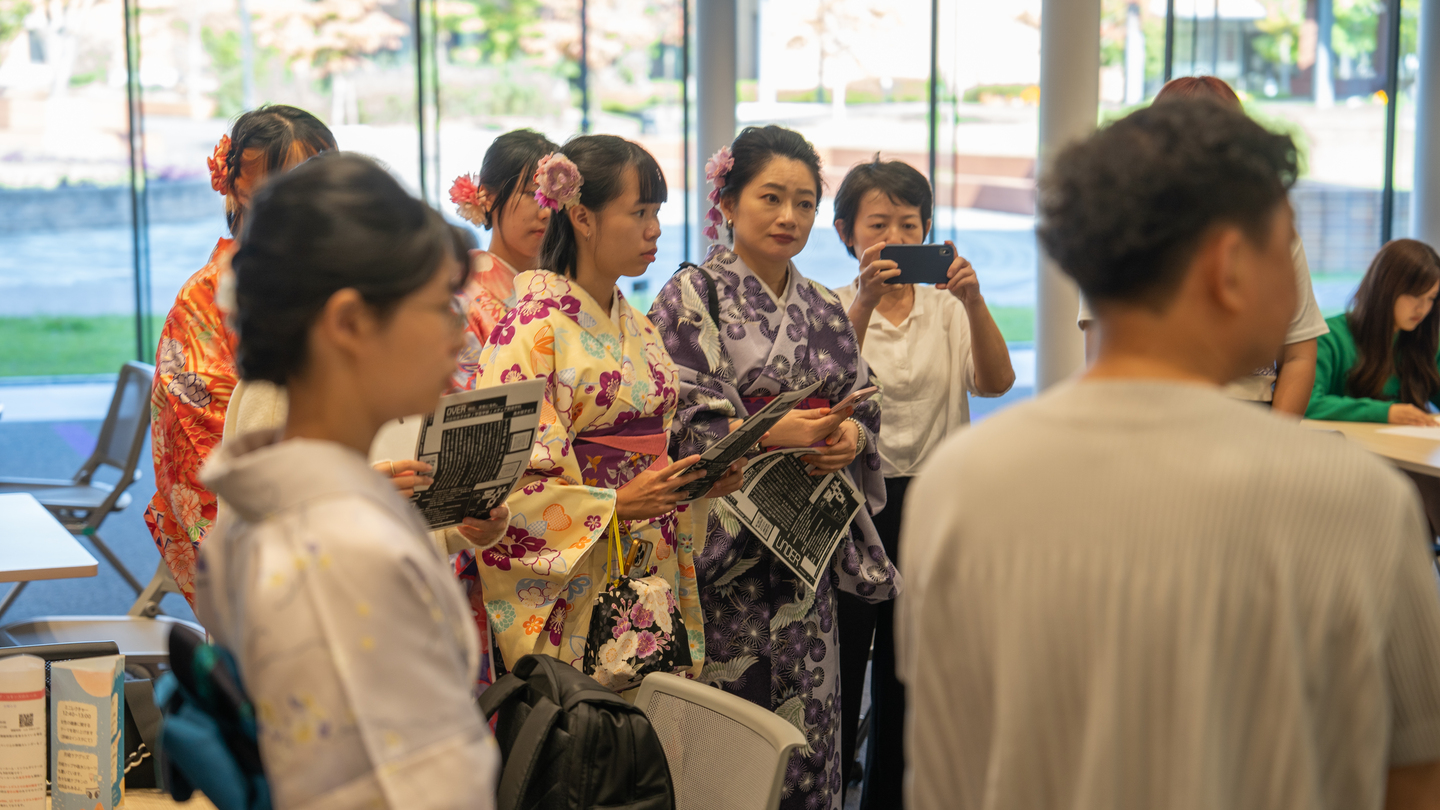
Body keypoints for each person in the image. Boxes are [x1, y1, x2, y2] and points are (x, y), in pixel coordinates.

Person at [899, 98, 1440, 810]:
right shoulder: (1354, 501)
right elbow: (1413, 780)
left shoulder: (959, 484)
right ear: (1229, 265)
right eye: (1289, 247)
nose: (1298, 288)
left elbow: (943, 770)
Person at [197, 152, 503, 809]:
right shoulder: (344, 547)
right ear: (349, 323)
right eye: (437, 307)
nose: (459, 335)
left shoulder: (279, 504)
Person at [648, 125, 900, 810]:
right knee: (728, 740)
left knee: (811, 730)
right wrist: (779, 431)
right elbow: (681, 412)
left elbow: (863, 398)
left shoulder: (823, 305)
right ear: (726, 203)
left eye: (805, 202)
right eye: (771, 198)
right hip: (727, 559)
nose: (790, 217)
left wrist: (848, 434)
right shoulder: (691, 295)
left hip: (805, 558)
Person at [472, 135, 742, 677]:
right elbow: (501, 489)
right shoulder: (527, 331)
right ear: (582, 217)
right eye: (639, 211)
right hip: (580, 574)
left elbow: (652, 446)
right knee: (592, 741)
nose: (655, 229)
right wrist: (613, 503)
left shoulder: (636, 324)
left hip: (651, 557)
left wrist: (692, 483)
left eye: (657, 212)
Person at [829, 156, 1015, 807]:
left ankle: (891, 797)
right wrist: (863, 302)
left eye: (911, 224)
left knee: (911, 666)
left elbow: (995, 383)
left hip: (933, 500)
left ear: (931, 230)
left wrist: (973, 298)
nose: (898, 238)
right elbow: (829, 391)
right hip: (853, 506)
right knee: (848, 656)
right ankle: (833, 788)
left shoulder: (947, 308)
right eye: (879, 224)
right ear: (847, 232)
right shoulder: (832, 306)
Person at [145, 105, 336, 607]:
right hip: (270, 535)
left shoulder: (342, 281)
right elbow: (207, 447)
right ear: (236, 186)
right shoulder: (206, 299)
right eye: (288, 178)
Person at [1076, 76, 1328, 416]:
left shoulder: (1269, 232)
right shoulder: (1124, 227)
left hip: (1251, 416)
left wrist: (1275, 444)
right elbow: (1102, 348)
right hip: (1148, 412)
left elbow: (1299, 351)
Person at [448, 129, 560, 390]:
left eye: (554, 197)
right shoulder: (461, 298)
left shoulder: (565, 289)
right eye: (533, 194)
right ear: (487, 196)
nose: (546, 212)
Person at [1306, 239, 1440, 423]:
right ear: (1384, 288)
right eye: (1414, 295)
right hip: (1339, 448)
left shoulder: (1426, 340)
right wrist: (1385, 413)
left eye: (1431, 298)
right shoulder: (1329, 336)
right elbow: (1306, 404)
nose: (1422, 308)